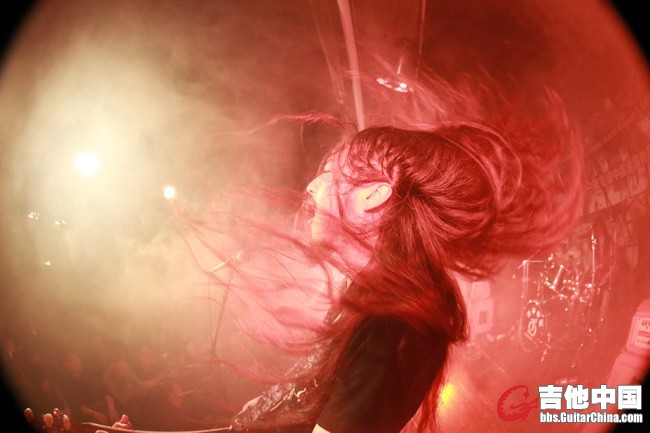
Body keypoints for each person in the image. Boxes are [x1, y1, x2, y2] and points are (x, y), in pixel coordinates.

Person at [221, 106, 584, 433]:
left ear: (374, 194)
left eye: (329, 172)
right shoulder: (374, 289)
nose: (311, 185)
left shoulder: (395, 324)